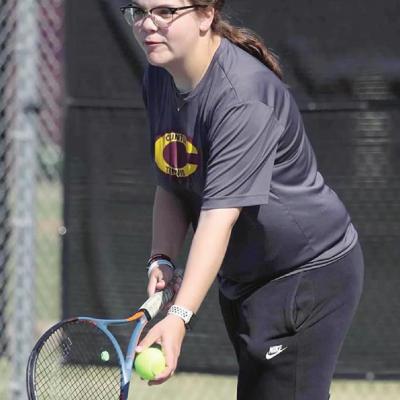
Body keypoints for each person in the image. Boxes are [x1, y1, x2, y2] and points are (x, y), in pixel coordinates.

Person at [120, 1, 364, 399]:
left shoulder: (242, 96)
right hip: (245, 280)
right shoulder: (159, 76)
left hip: (304, 276)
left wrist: (179, 316)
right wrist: (162, 258)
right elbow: (173, 180)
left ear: (206, 15)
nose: (149, 24)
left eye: (166, 11)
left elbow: (219, 217)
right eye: (139, 11)